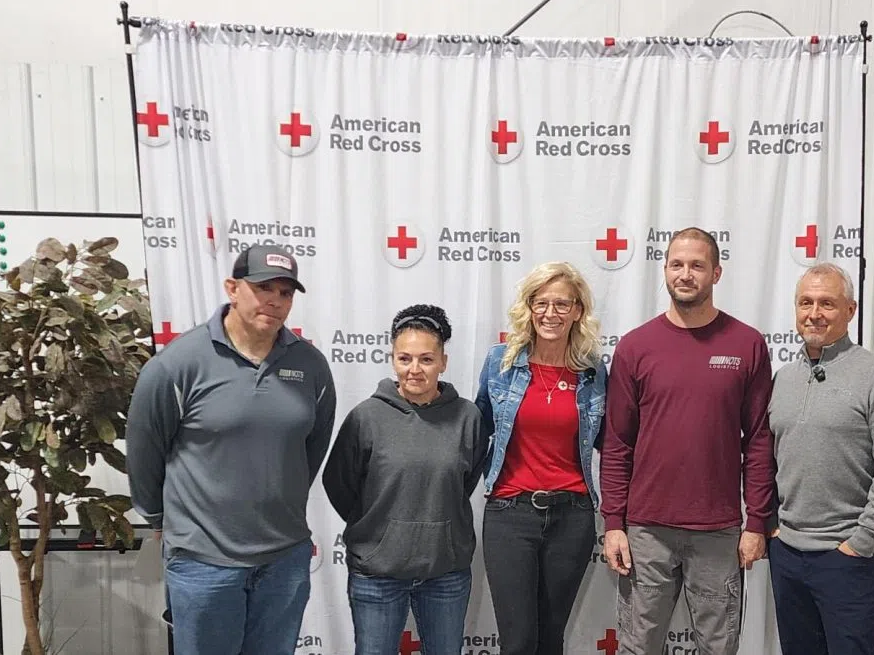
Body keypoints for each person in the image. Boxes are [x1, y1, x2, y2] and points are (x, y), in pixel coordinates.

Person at [126, 243, 337, 655]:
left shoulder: (310, 365)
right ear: (232, 288)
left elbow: (312, 449)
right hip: (203, 561)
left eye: (285, 293)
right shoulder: (177, 364)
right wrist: (160, 520)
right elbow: (145, 452)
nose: (275, 301)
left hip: (284, 560)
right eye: (263, 288)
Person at [600, 228, 774, 655]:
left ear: (716, 273)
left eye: (697, 265)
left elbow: (758, 441)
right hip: (646, 530)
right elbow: (618, 444)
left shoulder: (747, 344)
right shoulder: (635, 347)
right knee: (638, 647)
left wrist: (756, 522)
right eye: (676, 264)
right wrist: (614, 523)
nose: (685, 274)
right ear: (664, 270)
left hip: (718, 530)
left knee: (719, 647)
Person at [767, 262, 874, 655]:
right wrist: (772, 528)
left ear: (850, 310)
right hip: (788, 554)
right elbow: (768, 459)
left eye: (827, 303)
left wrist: (860, 542)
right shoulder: (783, 379)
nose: (814, 313)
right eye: (806, 302)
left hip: (848, 561)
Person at [322, 304, 488, 655]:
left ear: (443, 362)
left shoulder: (468, 417)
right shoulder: (366, 417)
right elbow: (339, 484)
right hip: (377, 574)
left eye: (426, 359)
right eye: (405, 358)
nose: (414, 369)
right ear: (392, 360)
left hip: (446, 572)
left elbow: (465, 481)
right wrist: (380, 532)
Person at [475, 261, 608, 655]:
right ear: (529, 307)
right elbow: (476, 431)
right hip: (510, 514)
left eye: (562, 304)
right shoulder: (500, 362)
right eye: (541, 303)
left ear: (578, 311)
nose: (551, 313)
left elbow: (610, 442)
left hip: (572, 515)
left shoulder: (593, 370)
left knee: (551, 640)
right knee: (517, 642)